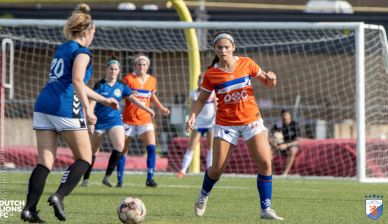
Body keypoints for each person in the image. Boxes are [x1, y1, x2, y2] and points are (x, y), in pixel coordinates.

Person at [21, 4, 120, 222]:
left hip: (43, 105)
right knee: (84, 159)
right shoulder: (82, 51)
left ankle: (29, 209)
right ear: (86, 32)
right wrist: (88, 110)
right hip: (64, 107)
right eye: (93, 32)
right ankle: (58, 196)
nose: (94, 36)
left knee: (45, 161)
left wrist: (103, 99)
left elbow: (74, 82)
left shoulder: (63, 48)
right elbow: (76, 81)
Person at [185, 31, 283, 220]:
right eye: (219, 47)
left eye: (227, 47)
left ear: (233, 48)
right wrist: (192, 116)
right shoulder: (211, 74)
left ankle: (265, 209)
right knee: (217, 169)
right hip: (226, 124)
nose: (223, 50)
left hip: (251, 121)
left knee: (265, 162)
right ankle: (203, 195)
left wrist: (272, 78)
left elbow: (269, 83)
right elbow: (200, 99)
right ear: (214, 49)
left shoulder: (247, 63)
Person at [80, 55, 155, 188]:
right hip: (100, 121)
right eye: (111, 69)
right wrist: (90, 117)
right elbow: (92, 102)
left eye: (115, 69)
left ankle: (107, 177)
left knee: (120, 146)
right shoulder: (100, 85)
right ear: (106, 69)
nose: (113, 71)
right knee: (93, 151)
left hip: (115, 121)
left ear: (119, 70)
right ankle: (86, 179)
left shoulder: (121, 85)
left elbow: (132, 98)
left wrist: (147, 108)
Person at [116, 53, 170, 188]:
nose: (141, 67)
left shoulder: (152, 80)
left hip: (145, 119)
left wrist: (161, 107)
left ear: (148, 66)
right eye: (139, 64)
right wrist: (127, 96)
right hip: (129, 119)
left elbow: (152, 95)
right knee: (123, 149)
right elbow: (119, 95)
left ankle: (149, 179)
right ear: (135, 65)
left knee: (152, 148)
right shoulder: (128, 78)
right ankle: (120, 180)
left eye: (144, 64)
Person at [177, 75, 216, 178]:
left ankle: (209, 171)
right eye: (200, 79)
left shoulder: (213, 92)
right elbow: (192, 108)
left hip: (210, 123)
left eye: (203, 80)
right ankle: (183, 170)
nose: (201, 81)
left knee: (210, 148)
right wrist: (190, 120)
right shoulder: (194, 93)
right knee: (192, 146)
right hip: (198, 123)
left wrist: (218, 119)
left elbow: (216, 105)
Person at [269, 109, 301, 176]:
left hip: (290, 146)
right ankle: (272, 173)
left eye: (286, 115)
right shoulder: (278, 124)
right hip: (279, 146)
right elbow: (269, 137)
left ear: (290, 116)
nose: (285, 117)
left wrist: (286, 145)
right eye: (283, 115)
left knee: (293, 150)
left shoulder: (294, 125)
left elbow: (297, 141)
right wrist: (274, 143)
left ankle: (285, 173)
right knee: (268, 151)